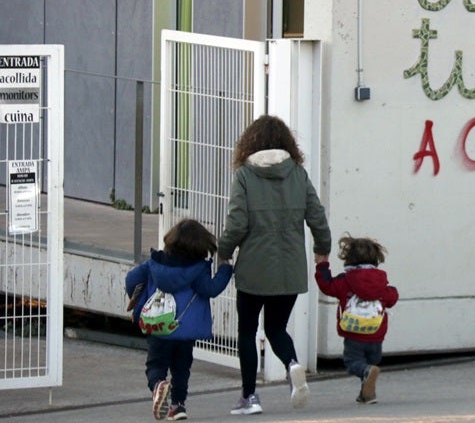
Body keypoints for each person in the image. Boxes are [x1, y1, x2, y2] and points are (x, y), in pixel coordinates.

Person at [218, 115, 332, 415]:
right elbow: (318, 218)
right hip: (290, 267)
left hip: (254, 269)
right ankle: (293, 365)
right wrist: (322, 251)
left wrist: (224, 252)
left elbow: (237, 223)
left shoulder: (244, 175)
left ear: (249, 142)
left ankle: (250, 397)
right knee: (276, 328)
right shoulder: (297, 173)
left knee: (247, 331)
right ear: (286, 142)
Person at [125, 219, 234, 421]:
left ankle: (158, 385)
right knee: (181, 368)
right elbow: (210, 289)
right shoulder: (199, 269)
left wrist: (139, 297)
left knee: (156, 365)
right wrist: (225, 270)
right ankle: (178, 406)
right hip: (185, 331)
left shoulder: (154, 262)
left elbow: (131, 280)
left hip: (158, 325)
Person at [315, 234, 399, 404]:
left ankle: (367, 374)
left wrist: (322, 265)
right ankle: (367, 394)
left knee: (354, 363)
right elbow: (392, 298)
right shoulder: (381, 282)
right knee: (370, 363)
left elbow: (327, 285)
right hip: (376, 334)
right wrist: (392, 291)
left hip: (353, 333)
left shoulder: (345, 281)